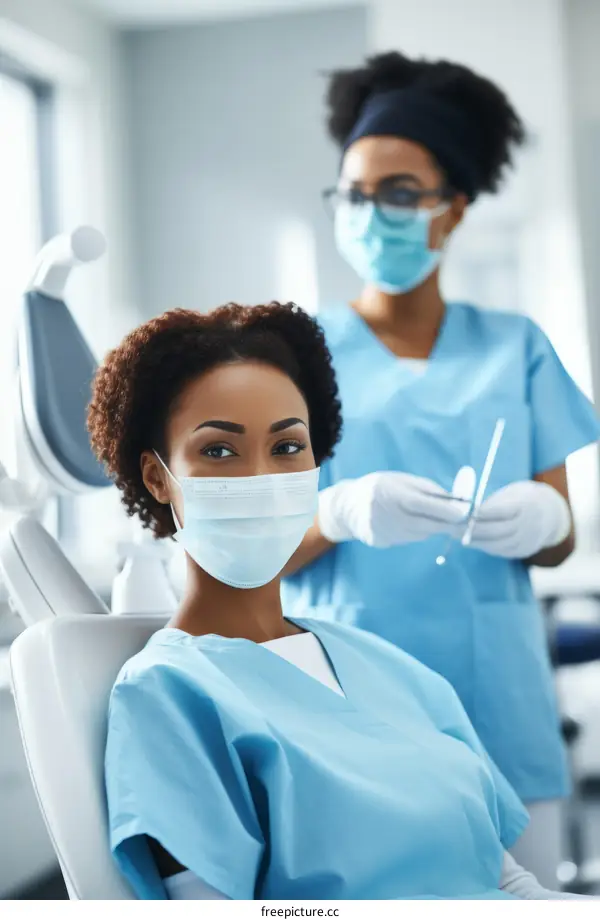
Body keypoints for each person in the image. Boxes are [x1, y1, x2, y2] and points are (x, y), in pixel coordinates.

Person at [90, 303, 592, 900]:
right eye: (220, 451)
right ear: (157, 476)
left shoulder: (390, 668)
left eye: (287, 448)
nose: (261, 478)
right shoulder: (170, 693)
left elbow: (509, 881)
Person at [281, 51, 600, 886]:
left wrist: (542, 517)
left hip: (499, 699)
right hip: (347, 698)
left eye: (398, 192)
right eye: (354, 192)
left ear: (452, 210)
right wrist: (339, 510)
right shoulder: (288, 353)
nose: (370, 211)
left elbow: (559, 542)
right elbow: (254, 552)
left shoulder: (517, 345)